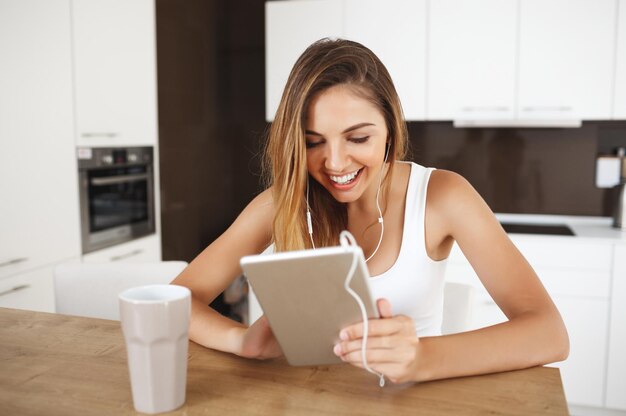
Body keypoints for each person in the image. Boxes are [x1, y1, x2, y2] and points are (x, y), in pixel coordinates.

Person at [171, 38, 569, 384]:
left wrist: (420, 359)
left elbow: (549, 333)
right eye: (313, 143)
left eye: (358, 137)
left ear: (391, 129)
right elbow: (174, 300)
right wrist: (241, 342)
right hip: (308, 397)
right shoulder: (283, 203)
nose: (336, 162)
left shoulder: (442, 196)